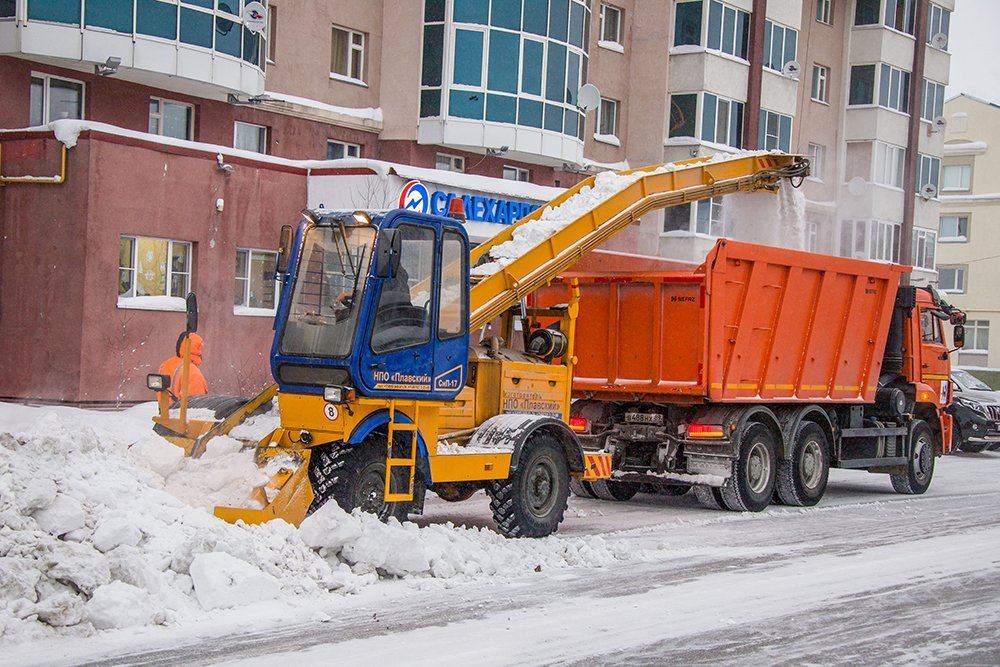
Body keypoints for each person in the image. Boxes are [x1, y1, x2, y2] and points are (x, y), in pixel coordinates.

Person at [158, 332, 208, 396]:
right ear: (197, 350)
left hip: (164, 406)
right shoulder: (192, 372)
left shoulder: (165, 365)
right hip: (181, 406)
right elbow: (194, 402)